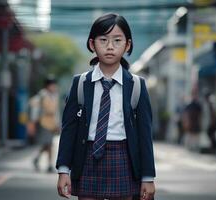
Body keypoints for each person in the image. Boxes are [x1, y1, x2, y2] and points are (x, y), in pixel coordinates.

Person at [56, 13, 156, 200]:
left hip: (123, 158)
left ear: (127, 45)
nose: (110, 46)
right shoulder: (80, 83)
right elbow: (69, 129)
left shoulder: (137, 85)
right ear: (92, 44)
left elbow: (145, 134)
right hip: (87, 158)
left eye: (117, 40)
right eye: (103, 40)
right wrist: (63, 170)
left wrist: (148, 177)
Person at [33, 77, 60, 173]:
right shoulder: (42, 95)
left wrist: (57, 123)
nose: (54, 87)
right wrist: (34, 120)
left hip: (51, 123)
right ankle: (49, 165)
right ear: (48, 86)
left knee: (47, 144)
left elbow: (56, 111)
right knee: (48, 144)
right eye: (52, 85)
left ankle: (37, 159)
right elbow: (34, 107)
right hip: (43, 122)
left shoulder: (54, 95)